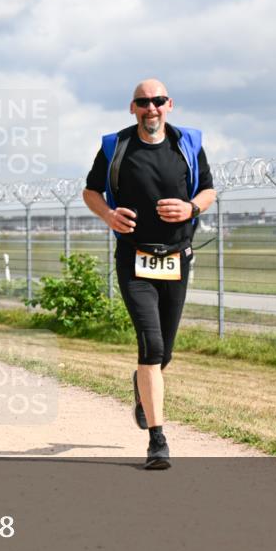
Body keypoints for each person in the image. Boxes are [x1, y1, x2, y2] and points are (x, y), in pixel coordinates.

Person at [83, 78, 216, 470]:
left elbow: (209, 190)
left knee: (164, 354)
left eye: (158, 101)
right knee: (151, 348)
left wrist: (191, 208)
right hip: (134, 260)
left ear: (169, 105)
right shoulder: (116, 147)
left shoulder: (186, 145)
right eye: (143, 102)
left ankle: (142, 388)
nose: (151, 108)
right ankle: (158, 440)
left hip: (176, 259)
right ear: (132, 107)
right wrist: (107, 213)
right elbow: (90, 191)